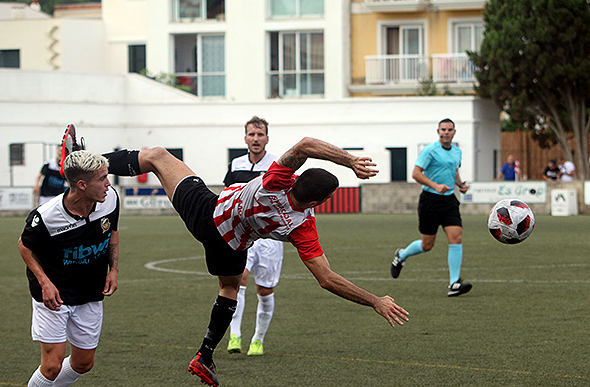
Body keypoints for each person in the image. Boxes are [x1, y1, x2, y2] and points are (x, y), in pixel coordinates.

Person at [58, 124, 409, 387]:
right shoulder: (302, 227)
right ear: (317, 202)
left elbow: (306, 144)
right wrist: (375, 300)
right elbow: (326, 278)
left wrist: (349, 161)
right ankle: (205, 355)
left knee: (157, 156)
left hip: (207, 212)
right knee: (229, 289)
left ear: (296, 179)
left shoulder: (277, 179)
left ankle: (82, 161)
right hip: (230, 246)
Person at [18, 150, 120, 387]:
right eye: (102, 178)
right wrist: (45, 282)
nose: (108, 184)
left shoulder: (111, 199)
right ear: (82, 184)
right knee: (51, 366)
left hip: (90, 291)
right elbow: (24, 247)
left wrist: (113, 269)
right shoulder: (46, 216)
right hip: (54, 295)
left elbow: (113, 229)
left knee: (83, 363)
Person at [390, 118, 471, 297]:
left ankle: (454, 284)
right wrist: (435, 185)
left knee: (456, 238)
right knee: (427, 245)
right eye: (443, 129)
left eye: (450, 129)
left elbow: (454, 170)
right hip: (430, 201)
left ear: (454, 132)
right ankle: (401, 256)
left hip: (449, 201)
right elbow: (416, 173)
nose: (446, 132)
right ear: (438, 131)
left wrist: (460, 184)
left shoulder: (457, 152)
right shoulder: (430, 150)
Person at [224, 116, 283, 357]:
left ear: (267, 138)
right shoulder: (236, 164)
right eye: (251, 134)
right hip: (242, 234)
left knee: (264, 290)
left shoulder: (276, 165)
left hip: (269, 237)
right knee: (237, 282)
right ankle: (235, 335)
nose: (256, 139)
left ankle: (258, 339)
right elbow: (227, 194)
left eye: (260, 135)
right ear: (245, 138)